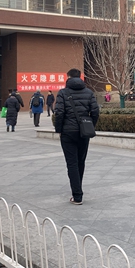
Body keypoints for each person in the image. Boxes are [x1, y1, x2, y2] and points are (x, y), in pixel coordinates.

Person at [54, 68, 99, 205]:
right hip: (84, 132)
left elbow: (59, 113)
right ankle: (78, 191)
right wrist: (90, 126)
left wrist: (59, 129)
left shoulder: (63, 93)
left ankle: (77, 195)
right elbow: (95, 111)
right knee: (81, 161)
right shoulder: (89, 92)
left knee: (72, 163)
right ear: (80, 77)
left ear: (68, 77)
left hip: (68, 132)